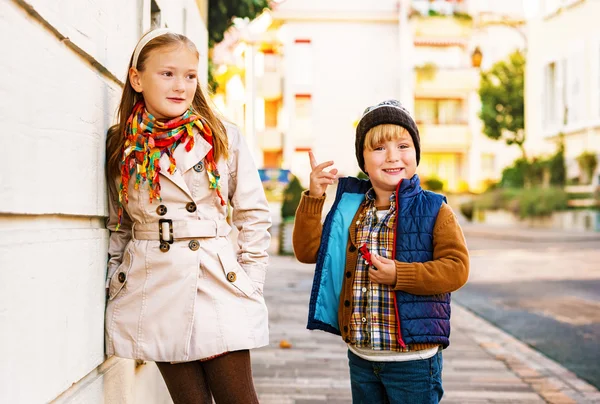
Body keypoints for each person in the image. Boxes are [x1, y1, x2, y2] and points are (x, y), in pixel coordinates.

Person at [104, 28, 270, 404]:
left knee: (239, 399)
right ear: (137, 78)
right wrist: (117, 278)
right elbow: (120, 222)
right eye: (167, 74)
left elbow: (253, 214)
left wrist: (251, 281)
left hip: (216, 278)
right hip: (154, 282)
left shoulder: (222, 136)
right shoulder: (121, 144)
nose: (181, 85)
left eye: (190, 75)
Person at [292, 99, 469, 403]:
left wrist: (400, 273)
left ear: (416, 153)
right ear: (363, 159)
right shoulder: (352, 209)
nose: (392, 157)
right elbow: (308, 251)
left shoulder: (434, 209)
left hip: (413, 362)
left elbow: (456, 268)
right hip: (361, 358)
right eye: (378, 148)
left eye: (403, 146)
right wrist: (314, 197)